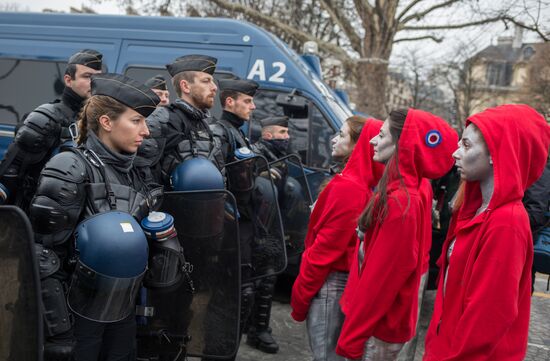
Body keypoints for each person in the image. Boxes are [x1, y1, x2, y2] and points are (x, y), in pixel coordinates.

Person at [29, 73, 161, 361]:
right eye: (136, 120)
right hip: (77, 317)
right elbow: (42, 257)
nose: (146, 131)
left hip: (122, 315)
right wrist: (59, 334)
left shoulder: (137, 172)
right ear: (106, 122)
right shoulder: (70, 167)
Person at [423, 104, 550, 361]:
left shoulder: (507, 224)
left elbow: (486, 321)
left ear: (497, 152)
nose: (456, 153)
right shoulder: (475, 211)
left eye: (467, 145)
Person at [336, 109, 458, 361]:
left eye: (381, 135)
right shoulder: (398, 192)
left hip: (376, 330)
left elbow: (381, 279)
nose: (372, 140)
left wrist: (352, 337)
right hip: (376, 327)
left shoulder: (401, 202)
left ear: (402, 145)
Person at [291, 117, 384, 361]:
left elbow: (324, 252)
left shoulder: (349, 188)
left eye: (342, 136)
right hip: (333, 284)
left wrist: (300, 294)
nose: (334, 139)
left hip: (330, 286)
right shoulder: (356, 184)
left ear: (359, 146)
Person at [0, 48, 103, 209]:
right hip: (36, 215)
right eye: (87, 76)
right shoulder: (46, 118)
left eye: (98, 77)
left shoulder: (101, 122)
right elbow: (8, 178)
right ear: (68, 80)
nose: (94, 82)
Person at [138, 54, 224, 187]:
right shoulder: (164, 121)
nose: (214, 87)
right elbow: (141, 175)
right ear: (185, 86)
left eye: (212, 81)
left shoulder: (206, 123)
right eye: (206, 81)